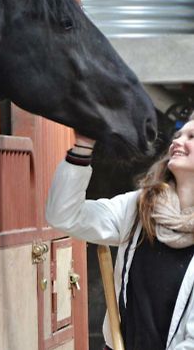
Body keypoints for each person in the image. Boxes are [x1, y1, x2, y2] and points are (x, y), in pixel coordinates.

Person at [46, 112, 194, 350]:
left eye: (191, 137)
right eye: (177, 135)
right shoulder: (140, 207)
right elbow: (64, 215)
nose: (177, 141)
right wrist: (82, 148)